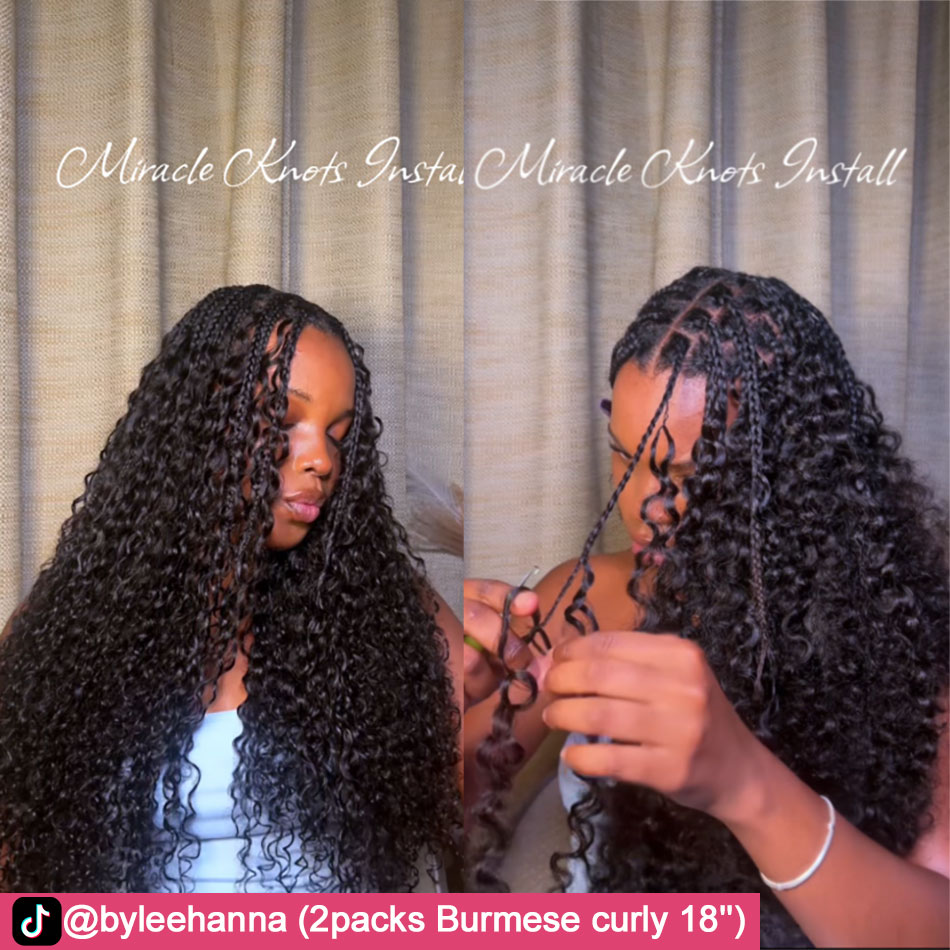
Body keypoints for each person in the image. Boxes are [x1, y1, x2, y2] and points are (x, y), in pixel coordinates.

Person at [464, 266, 949, 948]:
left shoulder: (910, 639)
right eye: (624, 458)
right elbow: (428, 814)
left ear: (798, 470)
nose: (644, 507)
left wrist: (744, 781)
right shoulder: (591, 600)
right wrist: (457, 698)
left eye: (689, 476)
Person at [0, 285, 462, 893]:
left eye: (338, 434)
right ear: (203, 422)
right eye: (286, 419)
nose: (322, 460)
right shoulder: (69, 626)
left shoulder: (392, 612)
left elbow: (475, 800)